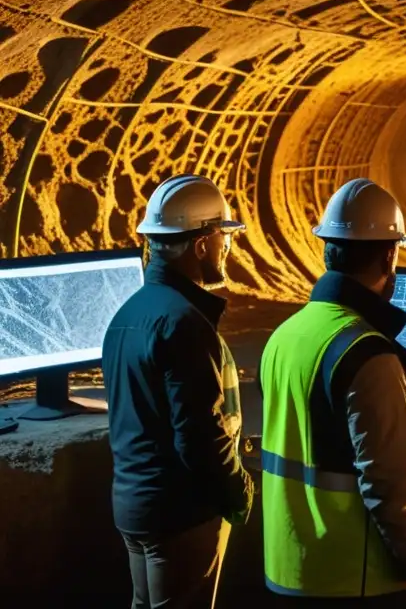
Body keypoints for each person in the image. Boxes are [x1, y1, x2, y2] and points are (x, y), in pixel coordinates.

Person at [260, 178, 406, 606]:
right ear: (390, 253)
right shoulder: (367, 354)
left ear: (327, 250)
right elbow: (391, 484)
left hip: (287, 568)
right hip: (354, 576)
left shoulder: (285, 335)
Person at [102, 174, 254, 609]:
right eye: (223, 236)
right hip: (181, 514)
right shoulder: (185, 323)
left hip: (133, 507)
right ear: (202, 243)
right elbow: (200, 436)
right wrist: (239, 492)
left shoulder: (127, 315)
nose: (227, 247)